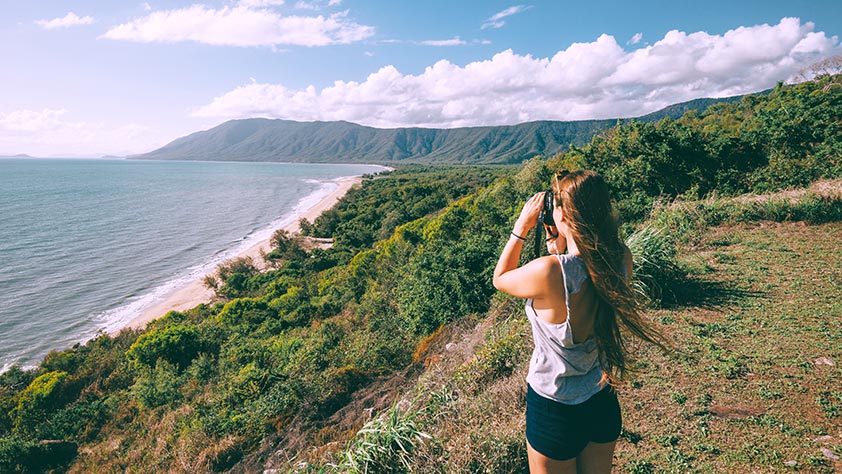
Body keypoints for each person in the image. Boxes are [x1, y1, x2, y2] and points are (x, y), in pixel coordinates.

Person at [493, 170, 669, 473]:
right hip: (601, 398)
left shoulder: (549, 273)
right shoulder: (621, 258)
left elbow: (500, 279)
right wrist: (558, 250)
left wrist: (522, 227)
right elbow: (586, 272)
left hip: (554, 406)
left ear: (562, 214)